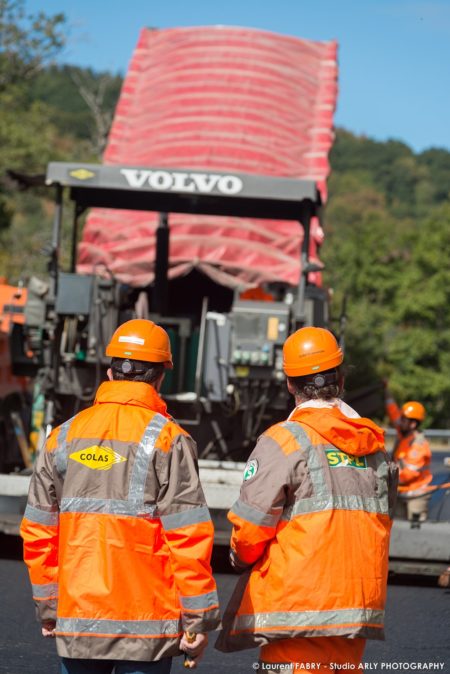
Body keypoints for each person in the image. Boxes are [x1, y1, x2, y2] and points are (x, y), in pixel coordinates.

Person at [20, 319, 220, 674]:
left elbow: (38, 532)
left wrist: (49, 608)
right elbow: (187, 538)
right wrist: (197, 620)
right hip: (147, 630)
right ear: (161, 377)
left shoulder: (63, 438)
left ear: (110, 374)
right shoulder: (169, 441)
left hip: (79, 620)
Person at [216, 327, 398, 672]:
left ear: (289, 384)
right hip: (355, 606)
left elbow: (252, 530)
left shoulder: (284, 441)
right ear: (341, 380)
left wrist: (239, 557)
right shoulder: (374, 446)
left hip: (296, 606)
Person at [385, 389, 432, 521]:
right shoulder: (403, 434)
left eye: (404, 419)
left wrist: (385, 478)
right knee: (400, 529)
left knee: (414, 529)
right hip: (400, 491)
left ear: (413, 424)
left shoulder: (419, 445)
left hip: (416, 495)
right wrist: (387, 390)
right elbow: (393, 412)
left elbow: (408, 474)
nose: (400, 421)